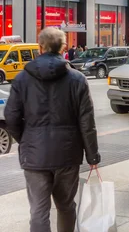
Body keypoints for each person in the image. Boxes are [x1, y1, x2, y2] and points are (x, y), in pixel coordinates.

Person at [4, 28, 100, 232]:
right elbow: (87, 122)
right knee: (66, 206)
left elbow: (11, 116)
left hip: (34, 156)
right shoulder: (77, 79)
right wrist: (92, 156)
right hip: (67, 155)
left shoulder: (22, 79)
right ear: (63, 48)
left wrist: (27, 139)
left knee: (38, 211)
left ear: (40, 47)